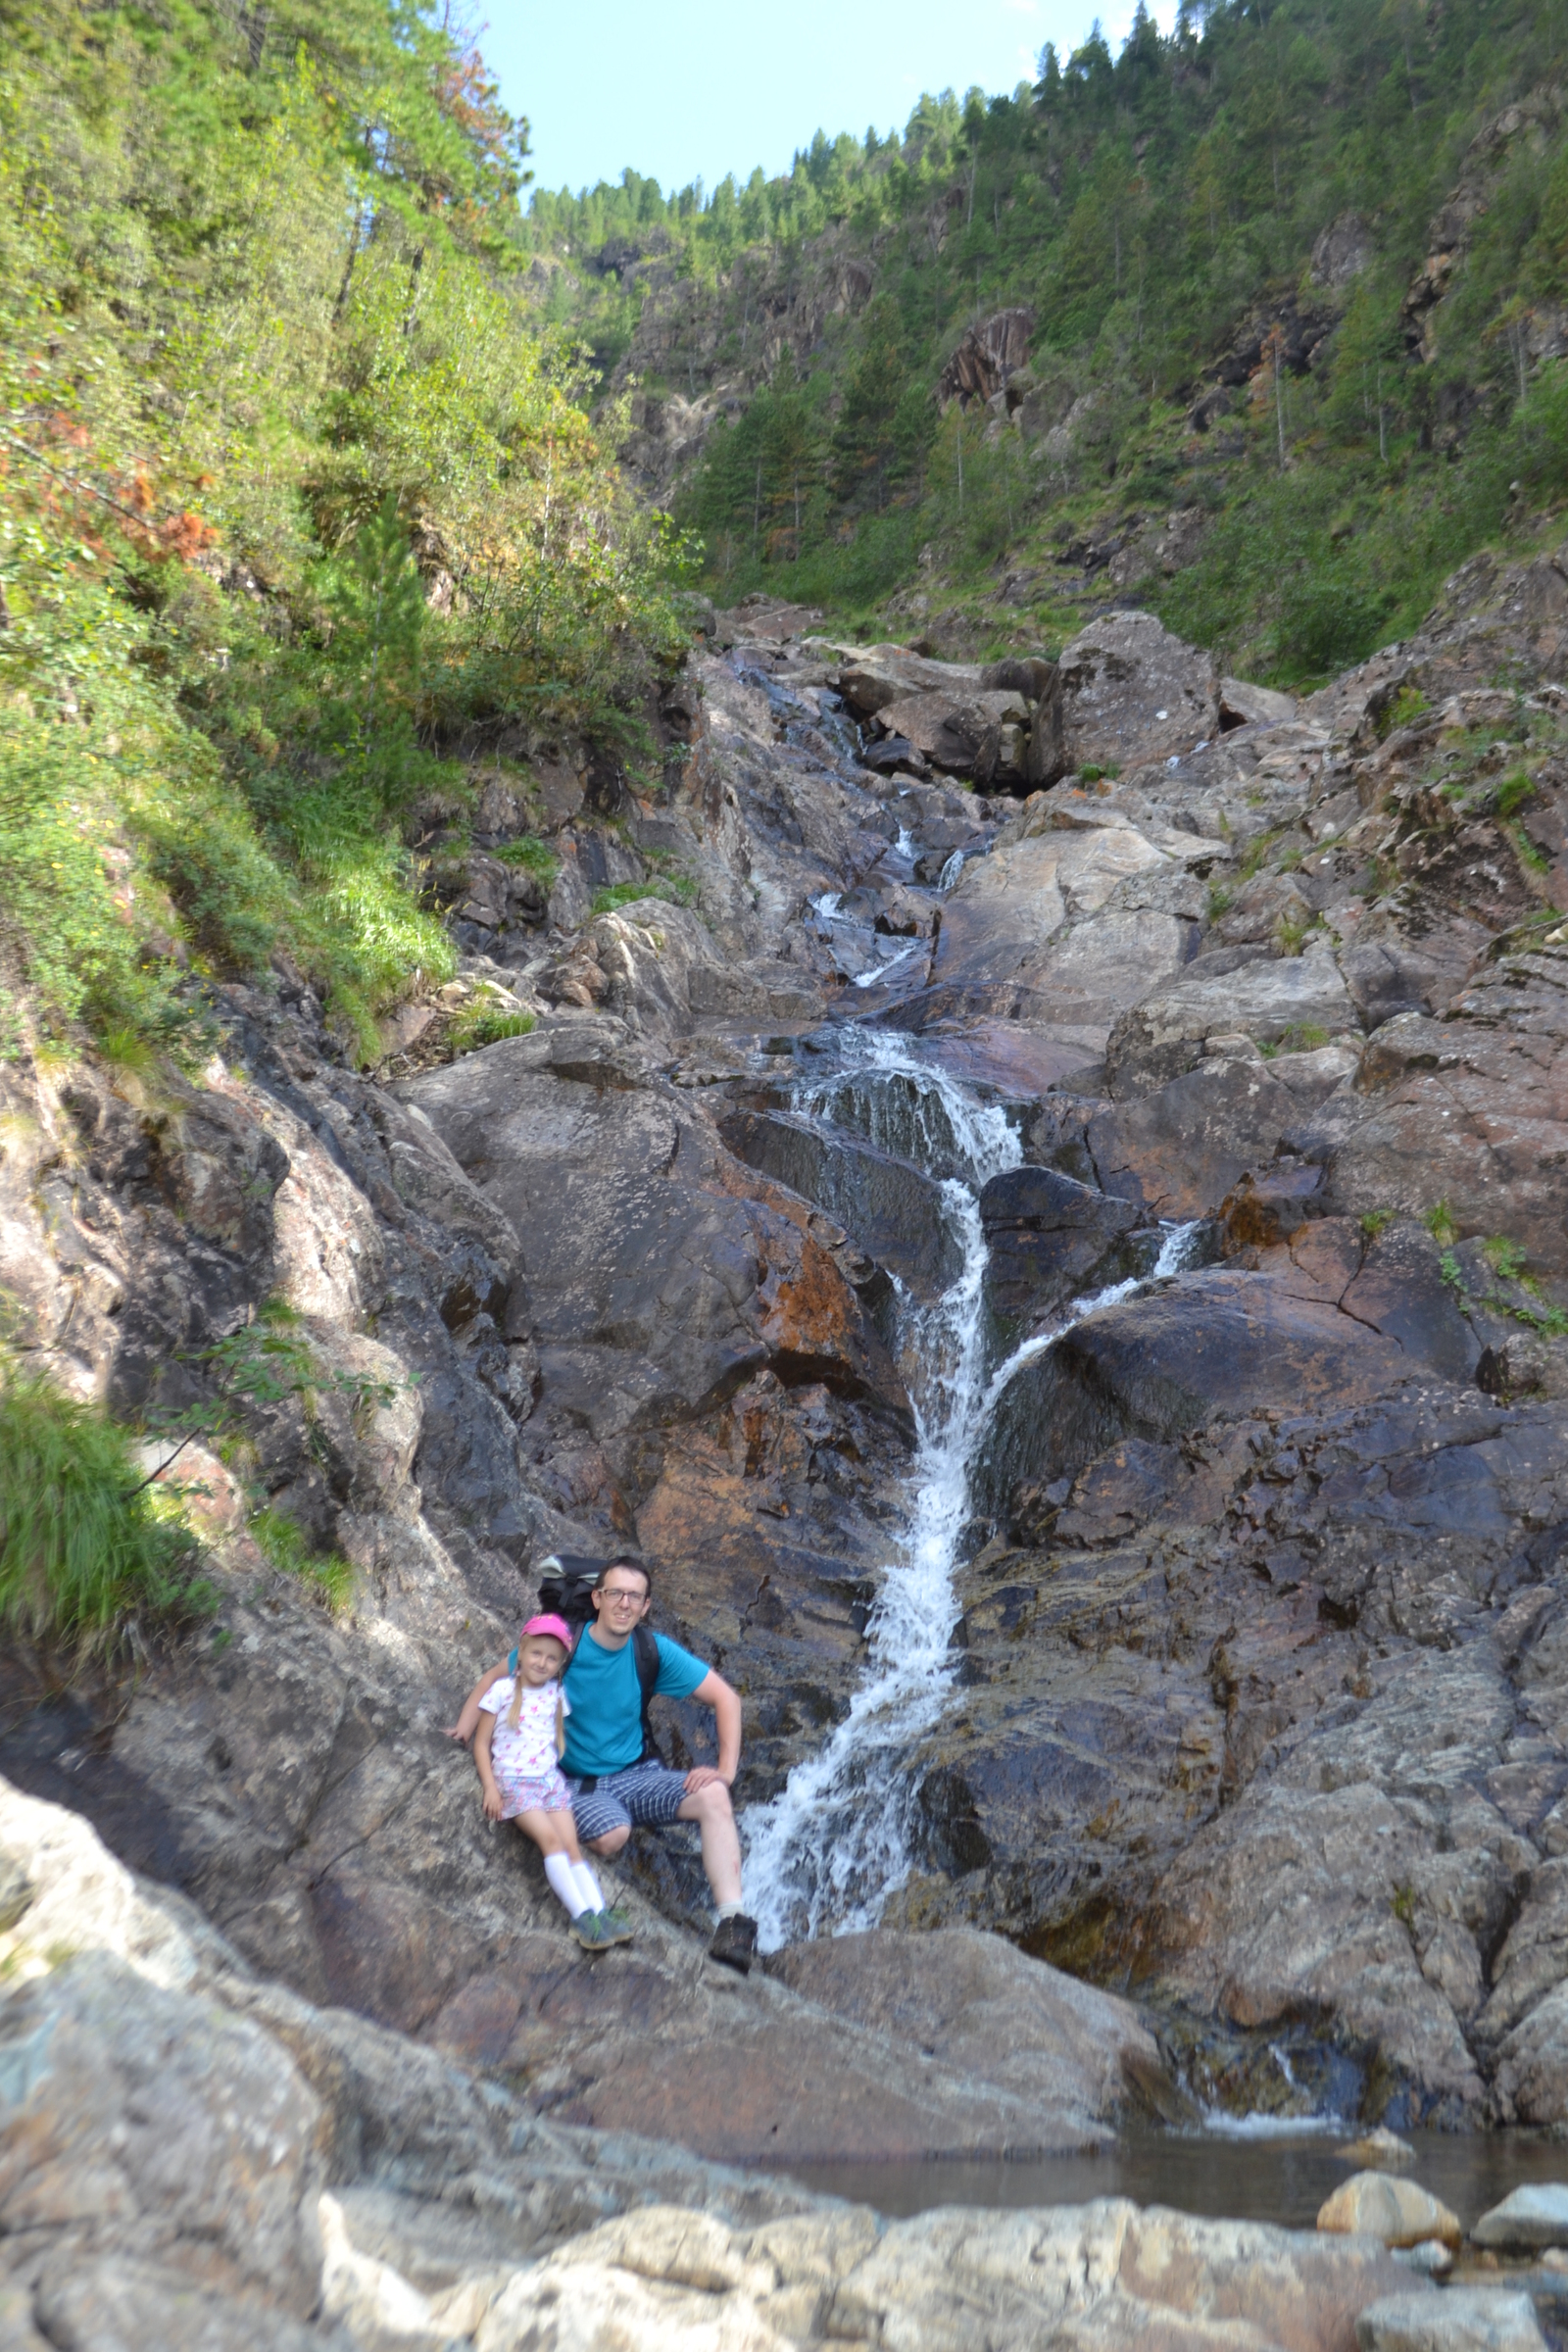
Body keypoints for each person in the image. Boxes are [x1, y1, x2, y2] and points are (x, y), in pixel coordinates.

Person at [451, 1558, 760, 1974]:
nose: (624, 1604)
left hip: (637, 1775)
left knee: (713, 1795)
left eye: (634, 1597)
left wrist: (725, 1770)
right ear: (597, 1598)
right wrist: (461, 1730)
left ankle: (732, 1922)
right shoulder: (565, 1646)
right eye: (615, 1593)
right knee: (614, 1834)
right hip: (574, 1783)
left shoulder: (651, 1650)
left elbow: (727, 1699)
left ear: (646, 1606)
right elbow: (494, 1678)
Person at [469, 1613, 630, 1955]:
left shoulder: (556, 1693)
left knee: (573, 1848)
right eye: (536, 1653)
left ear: (560, 1665)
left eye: (552, 1658)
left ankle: (601, 1913)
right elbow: (481, 1744)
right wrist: (490, 1787)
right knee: (551, 1840)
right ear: (522, 1652)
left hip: (550, 1783)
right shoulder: (501, 1691)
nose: (542, 1662)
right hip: (515, 1782)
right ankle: (581, 1917)